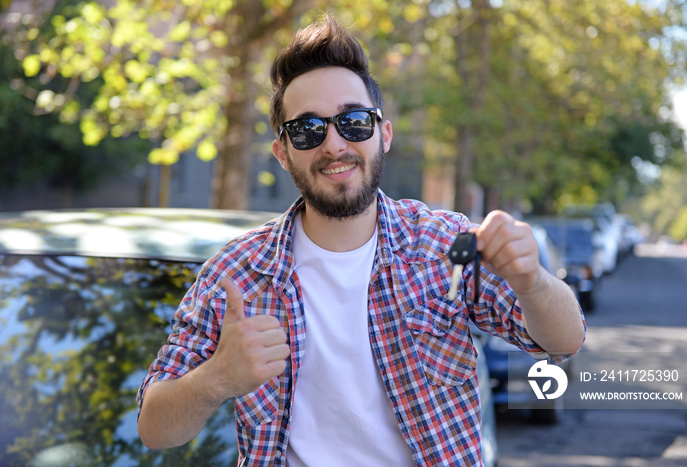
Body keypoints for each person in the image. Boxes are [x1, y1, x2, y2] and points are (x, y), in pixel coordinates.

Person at [137, 14, 585, 466]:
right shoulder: (235, 273)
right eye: (308, 129)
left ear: (383, 135)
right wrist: (217, 378)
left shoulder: (443, 245)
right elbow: (154, 429)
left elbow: (564, 340)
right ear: (283, 153)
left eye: (353, 121)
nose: (333, 145)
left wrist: (532, 283)